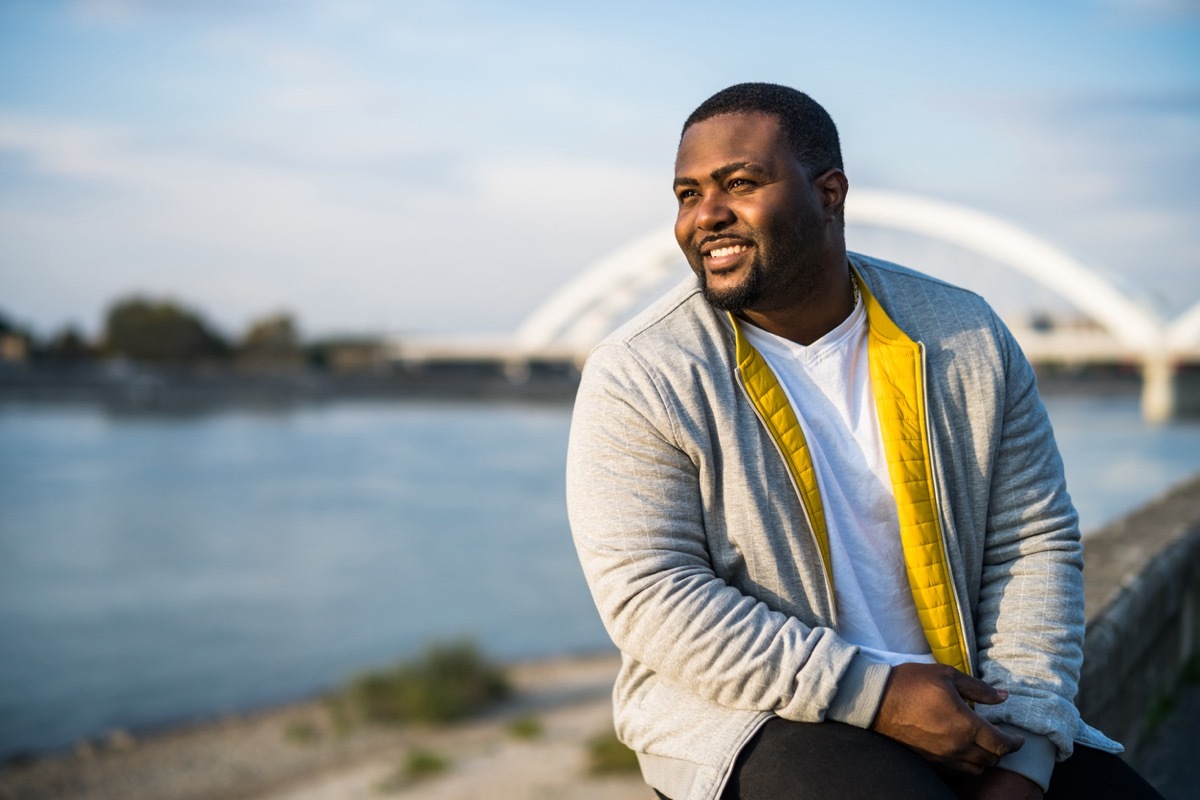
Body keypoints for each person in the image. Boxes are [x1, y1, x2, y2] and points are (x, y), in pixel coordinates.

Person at [565, 83, 1162, 800]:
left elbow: (1033, 542)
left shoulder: (963, 333)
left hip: (968, 710)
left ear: (830, 194)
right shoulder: (642, 371)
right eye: (687, 194)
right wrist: (879, 695)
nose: (706, 216)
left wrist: (1026, 748)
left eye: (741, 184)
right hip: (757, 720)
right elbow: (652, 594)